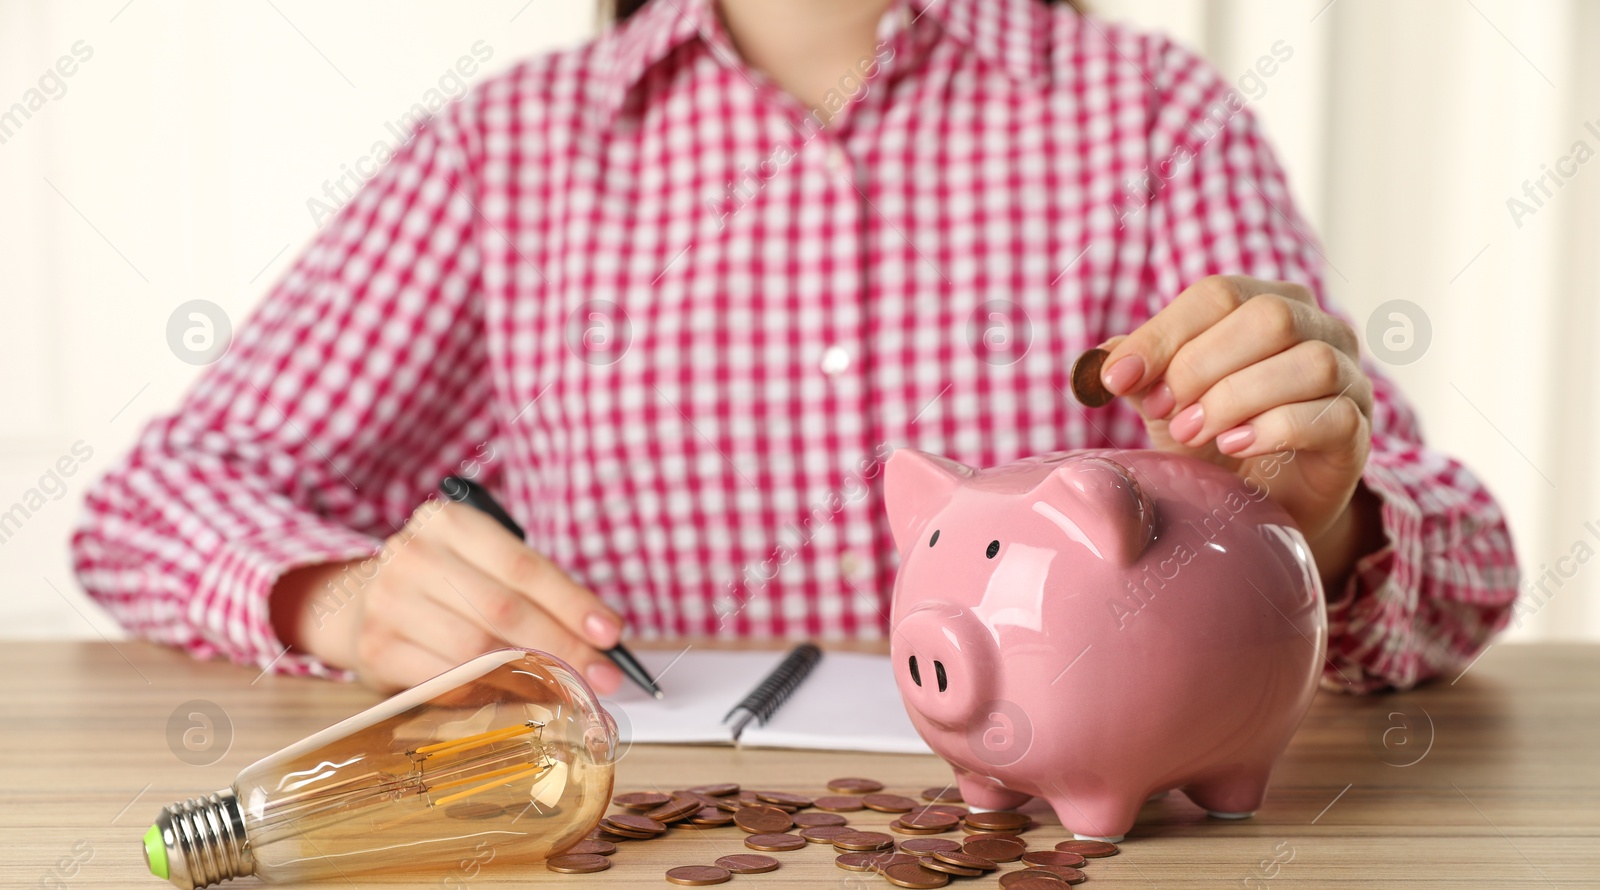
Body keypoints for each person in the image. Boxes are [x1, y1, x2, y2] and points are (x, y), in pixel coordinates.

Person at [72, 0, 1519, 697]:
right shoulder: (501, 156)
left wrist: (1317, 526)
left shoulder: (1158, 124)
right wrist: (347, 601)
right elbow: (153, 503)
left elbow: (1465, 561)